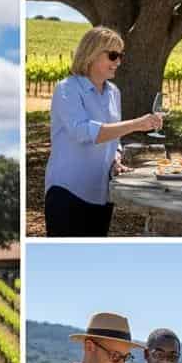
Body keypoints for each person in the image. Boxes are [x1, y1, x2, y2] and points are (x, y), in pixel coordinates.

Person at [44, 26, 162, 238]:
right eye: (113, 55)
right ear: (91, 54)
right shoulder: (67, 89)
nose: (118, 62)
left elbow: (113, 139)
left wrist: (115, 158)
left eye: (121, 55)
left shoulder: (113, 92)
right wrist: (136, 124)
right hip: (68, 192)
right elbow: (83, 132)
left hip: (101, 193)